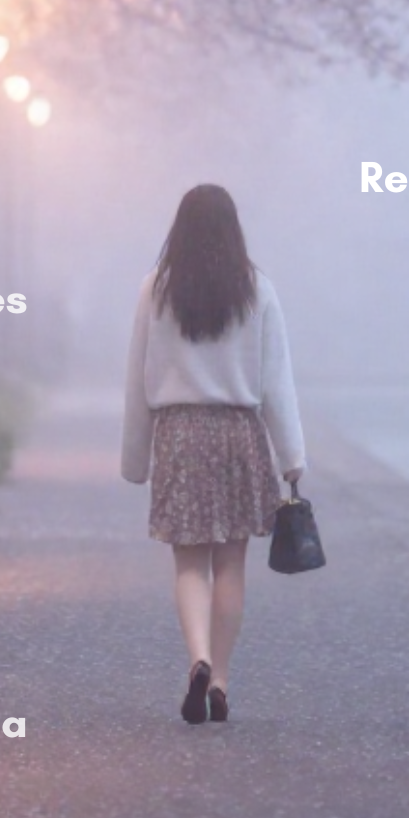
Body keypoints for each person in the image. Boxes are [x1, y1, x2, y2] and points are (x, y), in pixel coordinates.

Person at [122, 183, 305, 725]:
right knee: (230, 564)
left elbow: (139, 376)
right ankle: (220, 679)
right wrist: (292, 455)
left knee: (188, 563)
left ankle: (197, 657)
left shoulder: (156, 289)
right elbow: (278, 381)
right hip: (237, 434)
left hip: (178, 433)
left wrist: (135, 458)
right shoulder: (257, 289)